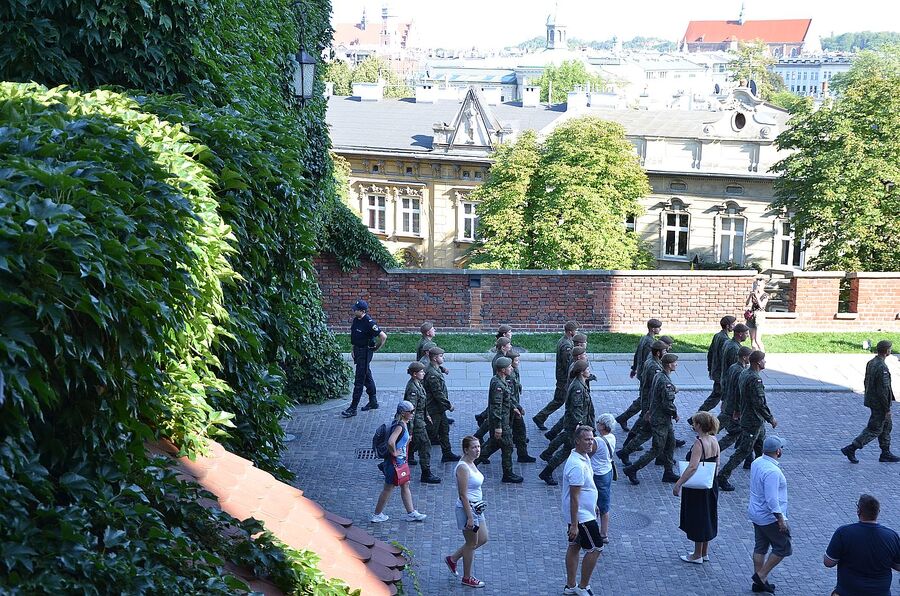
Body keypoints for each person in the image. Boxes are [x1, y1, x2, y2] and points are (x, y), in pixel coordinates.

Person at [718, 351, 778, 492]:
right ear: (758, 362)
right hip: (753, 420)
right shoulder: (755, 379)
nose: (765, 363)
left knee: (760, 448)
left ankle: (764, 474)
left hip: (752, 419)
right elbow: (759, 403)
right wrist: (771, 418)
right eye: (763, 360)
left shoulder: (744, 373)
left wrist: (737, 410)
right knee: (744, 450)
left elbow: (739, 394)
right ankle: (722, 476)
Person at [622, 353, 681, 485]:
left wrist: (648, 411)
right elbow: (667, 404)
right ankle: (632, 469)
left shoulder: (659, 376)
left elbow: (654, 396)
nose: (676, 365)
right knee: (657, 449)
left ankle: (668, 472)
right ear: (669, 365)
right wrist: (675, 414)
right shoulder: (665, 381)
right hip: (660, 420)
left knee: (670, 444)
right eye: (675, 363)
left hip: (660, 418)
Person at [824, 494, 900, 596]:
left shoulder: (843, 533)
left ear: (859, 511)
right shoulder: (892, 536)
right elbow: (898, 566)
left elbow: (828, 562)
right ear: (878, 512)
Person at [841, 340, 900, 464]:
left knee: (886, 427)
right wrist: (887, 409)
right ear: (887, 351)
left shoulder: (872, 362)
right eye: (890, 348)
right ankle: (851, 448)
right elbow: (883, 390)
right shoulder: (882, 367)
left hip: (873, 400)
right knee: (874, 429)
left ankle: (885, 453)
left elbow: (866, 381)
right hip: (880, 404)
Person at [673, 411, 720, 564]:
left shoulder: (699, 443)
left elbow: (693, 467)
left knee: (698, 518)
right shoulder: (714, 439)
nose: (693, 425)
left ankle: (697, 555)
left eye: (694, 423)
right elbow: (717, 463)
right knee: (707, 516)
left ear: (699, 425)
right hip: (711, 483)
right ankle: (704, 552)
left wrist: (679, 483)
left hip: (697, 488)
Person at [562, 425, 603, 596]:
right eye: (587, 439)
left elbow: (587, 489)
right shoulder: (577, 466)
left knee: (574, 546)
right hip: (582, 516)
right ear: (577, 441)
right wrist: (574, 524)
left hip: (584, 512)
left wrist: (594, 504)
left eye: (592, 438)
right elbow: (574, 497)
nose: (591, 442)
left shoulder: (583, 456)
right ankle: (582, 586)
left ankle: (570, 586)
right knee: (596, 548)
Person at [371, 401, 427, 523]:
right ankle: (377, 514)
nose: (413, 413)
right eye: (410, 411)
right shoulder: (400, 426)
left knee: (405, 484)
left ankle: (411, 512)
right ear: (403, 413)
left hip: (399, 462)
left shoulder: (402, 423)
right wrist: (394, 452)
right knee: (388, 488)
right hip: (394, 463)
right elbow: (391, 442)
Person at [540, 361, 595, 486]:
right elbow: (576, 408)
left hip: (575, 425)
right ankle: (546, 472)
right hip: (575, 426)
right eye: (587, 369)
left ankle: (547, 465)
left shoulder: (581, 384)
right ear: (581, 372)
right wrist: (580, 426)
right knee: (566, 450)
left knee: (566, 449)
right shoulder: (578, 388)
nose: (589, 371)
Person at [445, 436, 490, 589]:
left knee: (483, 538)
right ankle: (467, 577)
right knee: (472, 543)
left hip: (477, 509)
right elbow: (462, 494)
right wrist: (470, 517)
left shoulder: (471, 463)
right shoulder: (463, 467)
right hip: (467, 511)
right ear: (466, 450)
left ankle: (453, 558)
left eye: (478, 447)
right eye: (474, 447)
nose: (477, 450)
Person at [747, 436, 790, 593]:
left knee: (760, 547)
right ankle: (761, 576)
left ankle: (760, 584)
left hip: (756, 513)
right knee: (784, 547)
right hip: (768, 517)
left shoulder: (757, 462)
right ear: (778, 451)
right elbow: (772, 498)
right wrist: (780, 519)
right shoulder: (772, 471)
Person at [475, 357, 524, 483]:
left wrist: (515, 407)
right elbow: (496, 407)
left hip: (503, 420)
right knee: (507, 446)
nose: (511, 368)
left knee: (493, 445)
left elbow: (506, 399)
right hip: (501, 422)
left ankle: (472, 463)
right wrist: (498, 427)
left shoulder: (501, 380)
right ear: (503, 370)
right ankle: (507, 474)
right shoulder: (498, 384)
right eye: (509, 367)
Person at [342, 299, 387, 418]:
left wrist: (376, 348)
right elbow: (355, 335)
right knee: (367, 376)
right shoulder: (357, 320)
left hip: (365, 352)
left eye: (355, 310)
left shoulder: (369, 322)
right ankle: (373, 402)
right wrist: (353, 349)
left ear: (362, 311)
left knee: (359, 380)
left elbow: (383, 336)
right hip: (358, 350)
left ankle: (353, 408)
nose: (353, 311)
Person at [616, 318, 663, 431]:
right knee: (644, 401)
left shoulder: (644, 338)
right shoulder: (650, 343)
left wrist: (634, 368)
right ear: (652, 328)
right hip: (646, 375)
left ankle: (623, 418)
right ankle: (632, 425)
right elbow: (649, 359)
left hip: (642, 373)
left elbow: (637, 354)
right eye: (658, 327)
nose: (660, 329)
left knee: (642, 399)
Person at [533, 321, 579, 431]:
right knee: (559, 400)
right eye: (575, 330)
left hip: (563, 377)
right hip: (564, 379)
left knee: (560, 400)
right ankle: (540, 417)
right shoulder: (567, 345)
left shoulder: (565, 341)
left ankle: (541, 417)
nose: (576, 332)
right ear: (570, 331)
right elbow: (567, 363)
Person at [404, 362, 441, 484]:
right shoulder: (413, 389)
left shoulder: (418, 384)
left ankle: (408, 457)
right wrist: (409, 431)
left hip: (421, 418)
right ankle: (426, 473)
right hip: (416, 422)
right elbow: (411, 411)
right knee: (425, 445)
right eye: (421, 372)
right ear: (415, 374)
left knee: (415, 442)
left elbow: (421, 404)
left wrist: (427, 415)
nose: (423, 373)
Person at [424, 347, 460, 462]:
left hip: (439, 408)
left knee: (444, 429)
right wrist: (449, 405)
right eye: (441, 356)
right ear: (435, 358)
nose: (443, 358)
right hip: (434, 409)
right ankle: (410, 453)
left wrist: (443, 369)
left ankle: (447, 453)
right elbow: (437, 393)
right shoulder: (432, 374)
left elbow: (437, 367)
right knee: (430, 433)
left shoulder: (435, 368)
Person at [696, 316, 736, 412]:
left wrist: (710, 369)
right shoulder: (725, 340)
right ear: (727, 326)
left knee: (715, 397)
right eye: (733, 324)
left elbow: (710, 353)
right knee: (715, 398)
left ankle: (696, 418)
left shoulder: (717, 335)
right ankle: (697, 418)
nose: (734, 326)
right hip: (721, 374)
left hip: (716, 372)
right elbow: (724, 358)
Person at [718, 346, 753, 452]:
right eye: (749, 357)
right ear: (744, 357)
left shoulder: (733, 367)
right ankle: (710, 451)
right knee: (734, 432)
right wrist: (737, 410)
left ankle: (747, 456)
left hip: (728, 404)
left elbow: (725, 383)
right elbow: (738, 392)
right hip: (732, 408)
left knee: (716, 427)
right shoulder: (740, 372)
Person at [591, 414, 617, 545]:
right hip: (607, 471)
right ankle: (604, 534)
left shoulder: (597, 441)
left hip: (596, 474)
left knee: (592, 501)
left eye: (598, 422)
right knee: (605, 503)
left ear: (602, 426)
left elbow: (587, 453)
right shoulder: (612, 437)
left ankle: (593, 531)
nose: (597, 424)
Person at [746, 280, 769, 352]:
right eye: (756, 285)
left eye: (759, 285)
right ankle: (754, 356)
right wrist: (750, 296)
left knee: (757, 339)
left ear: (763, 285)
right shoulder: (753, 294)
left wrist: (756, 295)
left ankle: (762, 356)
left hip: (760, 316)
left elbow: (761, 306)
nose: (757, 286)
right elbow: (747, 304)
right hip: (752, 316)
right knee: (752, 339)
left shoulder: (765, 295)